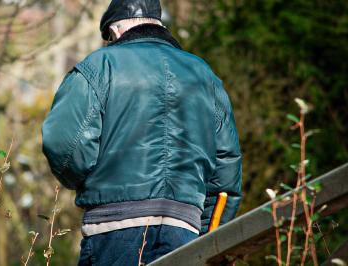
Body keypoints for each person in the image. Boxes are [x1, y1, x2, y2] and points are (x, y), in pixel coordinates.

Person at [41, 0, 242, 265]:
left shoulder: (98, 67)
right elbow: (226, 170)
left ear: (115, 30)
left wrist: (91, 182)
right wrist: (206, 235)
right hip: (184, 228)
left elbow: (63, 145)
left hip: (113, 228)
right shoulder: (204, 75)